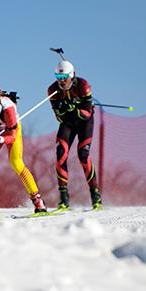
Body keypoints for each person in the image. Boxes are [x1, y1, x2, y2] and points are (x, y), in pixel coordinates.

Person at [0, 89, 46, 218]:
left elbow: (12, 137)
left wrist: (0, 139)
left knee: (16, 163)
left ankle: (37, 200)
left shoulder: (8, 110)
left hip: (11, 131)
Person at [47, 60, 102, 210]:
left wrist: (74, 109)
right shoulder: (52, 90)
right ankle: (64, 198)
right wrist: (63, 110)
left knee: (83, 155)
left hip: (84, 123)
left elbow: (87, 112)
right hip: (68, 123)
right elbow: (58, 117)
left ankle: (95, 195)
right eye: (58, 77)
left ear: (72, 75)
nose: (61, 81)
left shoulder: (83, 85)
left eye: (64, 77)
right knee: (60, 154)